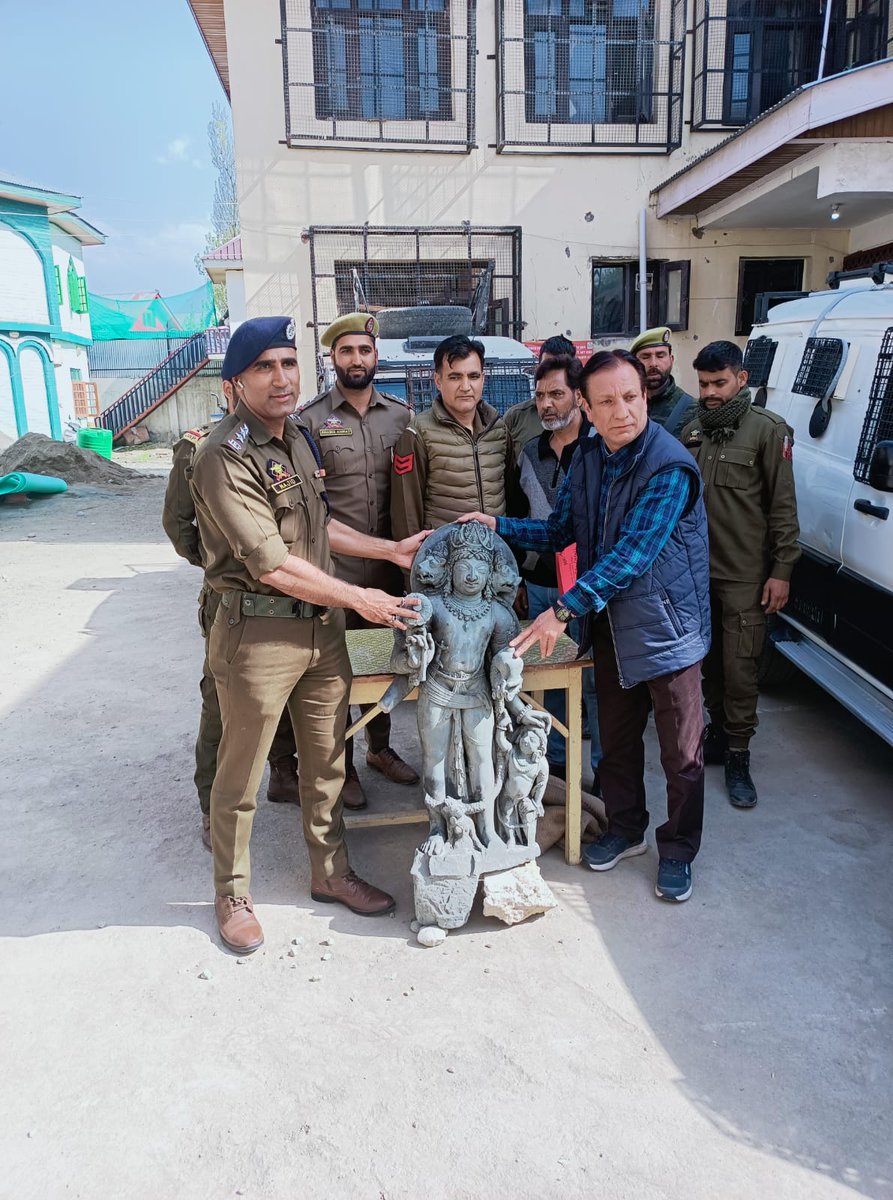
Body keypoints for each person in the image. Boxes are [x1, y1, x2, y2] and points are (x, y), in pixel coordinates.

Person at [188, 316, 427, 953]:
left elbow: (321, 531)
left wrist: (391, 550)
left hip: (321, 632)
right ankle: (232, 892)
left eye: (289, 364)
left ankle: (331, 873)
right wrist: (362, 597)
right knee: (239, 775)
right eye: (264, 367)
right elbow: (270, 562)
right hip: (260, 636)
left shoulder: (295, 439)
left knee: (327, 762)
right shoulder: (222, 455)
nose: (282, 378)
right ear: (236, 382)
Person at [461, 350, 711, 903]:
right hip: (614, 630)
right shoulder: (590, 457)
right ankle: (625, 829)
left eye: (630, 397)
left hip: (669, 633)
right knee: (616, 744)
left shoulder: (669, 466)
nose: (621, 411)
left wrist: (563, 610)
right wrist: (495, 524)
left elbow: (632, 555)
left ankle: (677, 849)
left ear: (645, 397)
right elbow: (560, 530)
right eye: (606, 402)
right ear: (587, 409)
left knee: (681, 753)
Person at [161, 382, 299, 853]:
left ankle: (283, 773)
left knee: (280, 691)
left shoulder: (288, 437)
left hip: (286, 592)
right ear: (231, 387)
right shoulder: (201, 446)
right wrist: (218, 564)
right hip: (229, 600)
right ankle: (210, 806)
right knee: (221, 705)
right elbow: (178, 525)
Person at [301, 312, 420, 811]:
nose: (356, 359)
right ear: (333, 357)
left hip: (391, 564)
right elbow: (309, 508)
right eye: (346, 351)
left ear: (376, 356)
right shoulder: (308, 422)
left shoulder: (401, 416)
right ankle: (343, 766)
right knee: (337, 673)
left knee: (388, 658)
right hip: (336, 571)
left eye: (364, 351)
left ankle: (380, 748)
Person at [680, 340, 800, 808]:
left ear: (742, 379)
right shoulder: (693, 431)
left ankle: (738, 754)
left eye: (719, 383)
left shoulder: (769, 431)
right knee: (707, 663)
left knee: (741, 668)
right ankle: (714, 736)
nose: (710, 392)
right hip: (695, 574)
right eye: (704, 383)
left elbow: (783, 509)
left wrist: (782, 571)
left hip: (745, 576)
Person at [515, 353, 601, 789]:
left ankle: (605, 776)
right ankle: (559, 774)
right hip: (541, 585)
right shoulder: (529, 452)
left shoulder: (601, 448)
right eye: (540, 395)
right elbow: (524, 517)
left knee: (595, 687)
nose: (546, 404)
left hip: (588, 592)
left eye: (556, 394)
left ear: (579, 397)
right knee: (545, 684)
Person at [390, 334, 518, 546]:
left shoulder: (498, 429)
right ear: (438, 381)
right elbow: (406, 513)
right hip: (444, 564)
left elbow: (513, 497)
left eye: (473, 376)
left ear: (483, 379)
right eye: (455, 377)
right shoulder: (418, 434)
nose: (466, 386)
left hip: (496, 559)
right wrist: (413, 572)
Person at [504, 334, 577, 459]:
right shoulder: (516, 417)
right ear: (537, 369)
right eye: (547, 367)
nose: (553, 375)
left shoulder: (590, 419)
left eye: (559, 369)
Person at [630, 326, 696, 438]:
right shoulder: (626, 406)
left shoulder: (691, 408)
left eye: (660, 355)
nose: (653, 363)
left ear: (671, 360)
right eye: (645, 357)